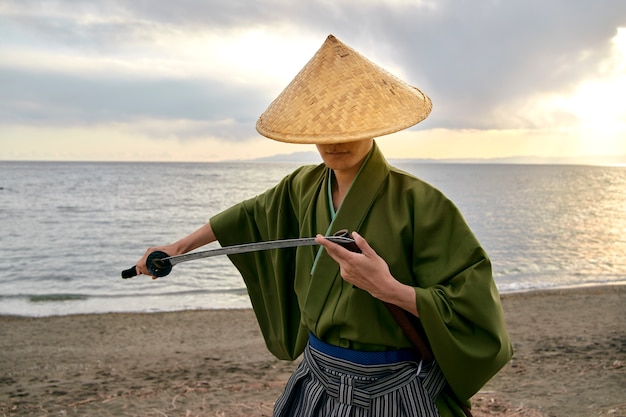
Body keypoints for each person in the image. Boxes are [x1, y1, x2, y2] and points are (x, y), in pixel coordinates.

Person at [134, 34, 512, 417]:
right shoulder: (302, 186)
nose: (334, 142)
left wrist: (390, 289)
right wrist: (178, 249)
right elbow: (247, 216)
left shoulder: (421, 203)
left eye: (348, 128)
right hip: (317, 382)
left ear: (373, 125)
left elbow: (473, 306)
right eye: (322, 130)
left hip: (393, 389)